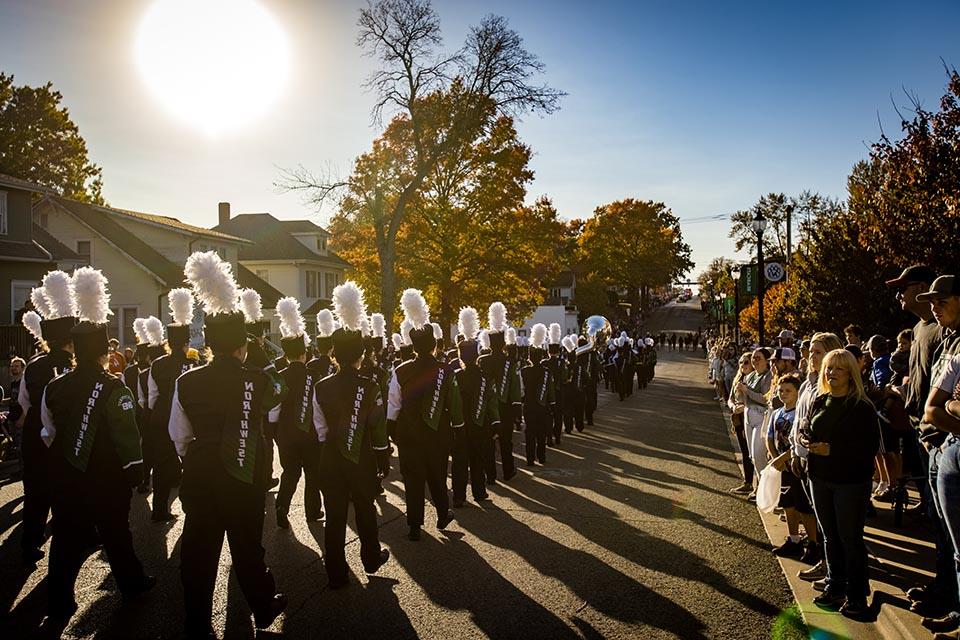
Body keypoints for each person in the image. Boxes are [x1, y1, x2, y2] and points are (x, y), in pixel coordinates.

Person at [169, 251, 288, 637]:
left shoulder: (186, 381)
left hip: (201, 474)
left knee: (199, 554)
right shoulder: (258, 379)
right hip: (245, 471)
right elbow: (279, 395)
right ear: (242, 346)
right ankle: (263, 604)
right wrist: (267, 352)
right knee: (247, 547)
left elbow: (179, 435)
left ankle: (197, 624)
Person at [38, 267, 156, 632]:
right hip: (107, 480)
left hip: (67, 477)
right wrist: (137, 472)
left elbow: (47, 432)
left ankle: (58, 600)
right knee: (117, 534)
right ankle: (133, 586)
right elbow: (127, 436)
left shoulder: (54, 387)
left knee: (66, 541)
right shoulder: (115, 388)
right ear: (104, 350)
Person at [313, 280, 391, 588]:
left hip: (330, 458)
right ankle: (371, 558)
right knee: (365, 510)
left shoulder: (321, 386)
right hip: (361, 460)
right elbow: (378, 427)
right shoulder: (370, 387)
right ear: (360, 355)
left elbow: (319, 428)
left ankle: (335, 572)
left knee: (334, 517)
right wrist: (383, 456)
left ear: (334, 355)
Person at [801, 349, 880, 618]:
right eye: (828, 368)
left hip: (850, 482)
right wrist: (805, 440)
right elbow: (809, 429)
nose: (831, 373)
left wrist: (832, 450)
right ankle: (835, 586)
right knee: (830, 536)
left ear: (851, 374)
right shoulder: (820, 400)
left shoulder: (861, 406)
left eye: (838, 369)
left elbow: (869, 448)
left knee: (849, 538)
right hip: (820, 478)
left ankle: (857, 595)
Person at [387, 288, 463, 541]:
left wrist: (392, 431)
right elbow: (454, 403)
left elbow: (393, 404)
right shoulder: (446, 370)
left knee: (413, 480)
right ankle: (442, 514)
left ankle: (414, 526)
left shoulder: (400, 370)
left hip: (408, 434)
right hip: (437, 433)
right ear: (434, 345)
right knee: (437, 476)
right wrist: (457, 427)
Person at [16, 272, 77, 563]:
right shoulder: (76, 369)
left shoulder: (33, 365)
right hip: (62, 440)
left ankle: (30, 544)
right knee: (66, 500)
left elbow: (24, 404)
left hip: (33, 438)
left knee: (35, 497)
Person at [270, 297, 324, 529]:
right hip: (311, 434)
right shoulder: (315, 376)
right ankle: (313, 512)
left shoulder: (279, 376)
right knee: (313, 473)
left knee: (290, 473)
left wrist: (275, 432)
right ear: (304, 353)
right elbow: (319, 407)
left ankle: (282, 507)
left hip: (286, 434)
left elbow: (274, 409)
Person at [145, 289, 196, 522]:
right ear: (186, 343)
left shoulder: (157, 364)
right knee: (189, 465)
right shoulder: (192, 365)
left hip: (159, 418)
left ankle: (159, 509)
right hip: (185, 419)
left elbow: (151, 396)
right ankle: (190, 506)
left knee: (162, 467)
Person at [766, 375, 818, 560]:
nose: (783, 394)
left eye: (788, 391)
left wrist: (783, 459)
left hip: (795, 465)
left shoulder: (799, 414)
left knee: (804, 507)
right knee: (788, 505)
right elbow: (770, 438)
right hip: (783, 468)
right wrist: (775, 458)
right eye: (780, 390)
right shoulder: (776, 413)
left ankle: (813, 543)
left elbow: (797, 442)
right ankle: (794, 539)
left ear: (798, 392)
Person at [452, 307, 497, 503]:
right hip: (480, 425)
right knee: (477, 460)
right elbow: (491, 402)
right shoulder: (484, 377)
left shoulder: (455, 377)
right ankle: (479, 492)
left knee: (459, 462)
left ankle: (459, 496)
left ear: (461, 356)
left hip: (459, 427)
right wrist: (495, 422)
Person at [478, 302, 521, 481]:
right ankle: (508, 471)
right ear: (503, 343)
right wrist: (517, 409)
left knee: (488, 442)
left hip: (487, 407)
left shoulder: (482, 360)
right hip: (505, 406)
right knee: (506, 442)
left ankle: (490, 475)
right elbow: (514, 387)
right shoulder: (510, 362)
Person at [740, 348, 773, 496]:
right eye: (753, 358)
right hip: (748, 416)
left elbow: (765, 399)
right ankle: (759, 488)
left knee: (758, 455)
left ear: (767, 360)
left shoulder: (768, 376)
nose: (754, 361)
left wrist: (747, 391)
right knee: (752, 456)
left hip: (760, 416)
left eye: (758, 358)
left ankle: (765, 491)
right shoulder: (751, 375)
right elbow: (744, 398)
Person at [521, 324, 554, 466]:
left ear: (529, 356)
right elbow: (550, 391)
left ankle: (529, 458)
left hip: (528, 405)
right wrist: (552, 404)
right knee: (541, 432)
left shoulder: (524, 371)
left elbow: (521, 390)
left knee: (530, 433)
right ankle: (542, 456)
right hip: (542, 406)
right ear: (541, 356)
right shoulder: (547, 371)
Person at [727, 353, 754, 495]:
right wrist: (733, 407)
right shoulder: (738, 378)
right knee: (744, 451)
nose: (743, 365)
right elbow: (730, 398)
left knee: (753, 452)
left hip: (751, 417)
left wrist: (745, 406)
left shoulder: (755, 380)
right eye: (742, 362)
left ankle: (755, 484)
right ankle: (748, 482)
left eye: (747, 362)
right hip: (738, 418)